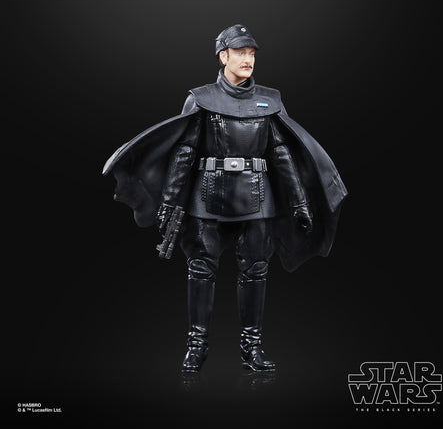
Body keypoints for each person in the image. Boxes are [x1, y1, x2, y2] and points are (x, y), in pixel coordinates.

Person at [103, 24, 347, 373]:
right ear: (223, 57)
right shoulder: (202, 98)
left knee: (256, 271)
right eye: (241, 53)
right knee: (200, 270)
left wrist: (299, 203)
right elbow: (185, 152)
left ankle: (252, 348)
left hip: (257, 199)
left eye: (252, 54)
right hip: (208, 199)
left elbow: (281, 154)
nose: (248, 59)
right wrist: (169, 201)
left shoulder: (270, 100)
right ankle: (196, 346)